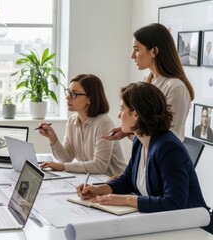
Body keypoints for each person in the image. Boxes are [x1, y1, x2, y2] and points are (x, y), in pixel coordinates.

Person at [77, 82, 213, 234]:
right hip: (162, 224)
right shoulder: (139, 140)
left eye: (122, 109)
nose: (118, 115)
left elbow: (174, 203)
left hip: (193, 228)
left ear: (136, 114)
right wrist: (99, 189)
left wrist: (126, 200)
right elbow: (128, 179)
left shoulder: (168, 148)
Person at [104, 23, 194, 142]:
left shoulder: (176, 88)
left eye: (136, 49)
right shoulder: (146, 80)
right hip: (145, 155)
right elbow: (145, 127)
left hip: (163, 158)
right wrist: (127, 131)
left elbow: (170, 136)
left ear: (153, 51)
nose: (132, 56)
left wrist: (130, 130)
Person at [38, 74, 126, 177]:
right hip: (92, 180)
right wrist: (52, 138)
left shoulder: (104, 123)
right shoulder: (72, 121)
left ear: (90, 99)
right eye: (68, 92)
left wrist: (64, 166)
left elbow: (100, 165)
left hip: (113, 183)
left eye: (74, 94)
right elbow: (66, 159)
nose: (67, 97)